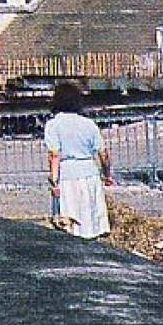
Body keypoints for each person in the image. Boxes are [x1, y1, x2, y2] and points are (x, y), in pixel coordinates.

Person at [43, 81, 113, 238]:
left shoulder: (53, 125)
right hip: (90, 173)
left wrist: (54, 181)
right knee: (91, 218)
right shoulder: (89, 124)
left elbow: (54, 154)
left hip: (67, 175)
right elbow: (103, 153)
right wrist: (107, 174)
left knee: (70, 220)